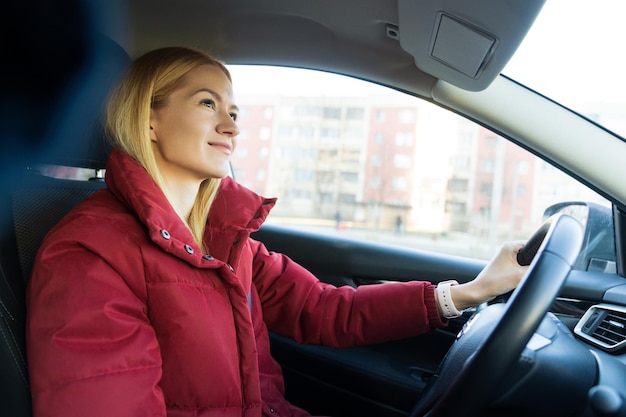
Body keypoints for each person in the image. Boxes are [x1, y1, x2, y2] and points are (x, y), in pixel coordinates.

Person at [26, 46, 528, 417]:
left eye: (234, 111)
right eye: (207, 104)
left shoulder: (227, 239)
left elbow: (327, 310)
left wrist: (469, 293)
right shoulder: (89, 254)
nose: (232, 126)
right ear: (149, 120)